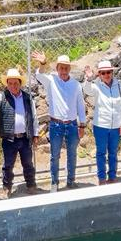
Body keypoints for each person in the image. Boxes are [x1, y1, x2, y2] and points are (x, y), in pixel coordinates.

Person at [31, 52, 87, 191]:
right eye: (61, 68)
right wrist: (43, 63)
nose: (63, 71)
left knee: (72, 154)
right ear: (57, 69)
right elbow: (39, 75)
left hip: (72, 124)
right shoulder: (51, 81)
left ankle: (71, 181)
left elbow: (80, 105)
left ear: (69, 69)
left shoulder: (76, 85)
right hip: (56, 124)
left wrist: (82, 125)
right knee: (55, 155)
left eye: (66, 68)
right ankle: (54, 182)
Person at [0, 67, 40, 196]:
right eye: (10, 83)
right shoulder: (1, 96)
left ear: (20, 83)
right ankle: (7, 187)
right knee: (8, 164)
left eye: (16, 83)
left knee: (28, 163)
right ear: (7, 84)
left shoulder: (27, 97)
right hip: (9, 138)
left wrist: (35, 134)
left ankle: (31, 185)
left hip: (25, 137)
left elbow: (34, 116)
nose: (13, 86)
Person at [84, 60, 121, 184]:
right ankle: (101, 178)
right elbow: (87, 90)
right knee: (101, 153)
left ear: (112, 72)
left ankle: (112, 176)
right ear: (99, 74)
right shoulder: (96, 86)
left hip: (116, 126)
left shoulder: (120, 86)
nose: (106, 75)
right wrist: (89, 79)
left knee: (113, 153)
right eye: (103, 73)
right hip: (100, 126)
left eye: (108, 72)